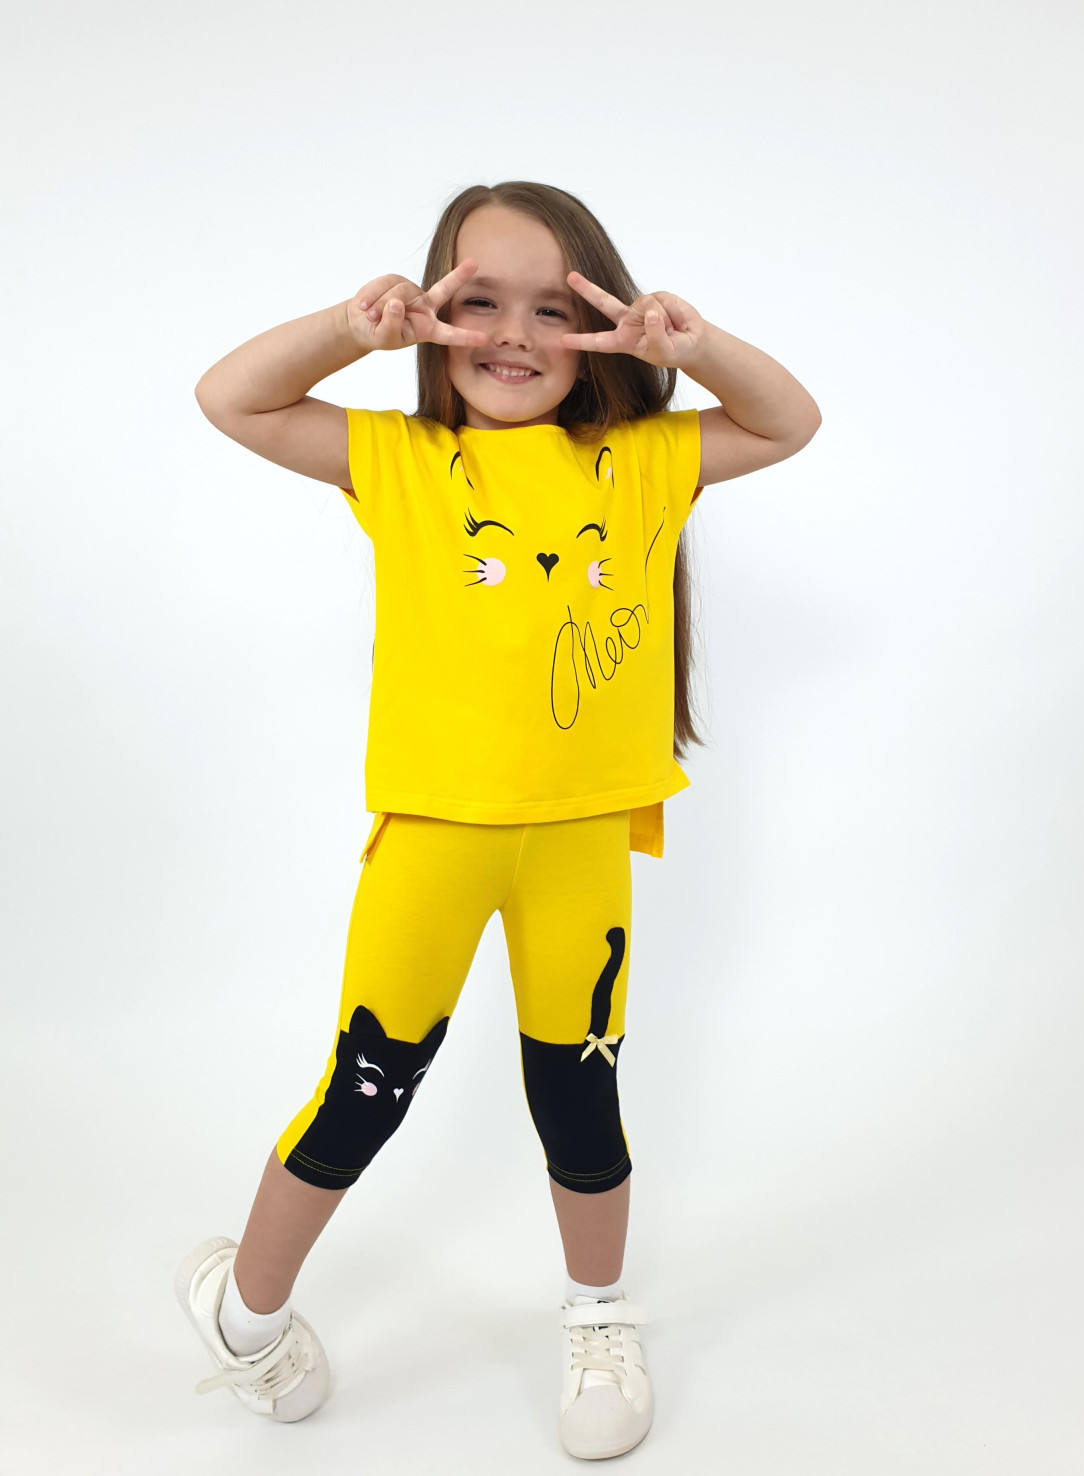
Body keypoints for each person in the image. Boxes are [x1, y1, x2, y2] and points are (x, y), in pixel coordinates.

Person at [174, 179, 821, 1459]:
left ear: (598, 324)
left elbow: (787, 420)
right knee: (365, 1092)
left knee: (579, 1094)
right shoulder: (405, 461)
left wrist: (689, 348)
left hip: (579, 841)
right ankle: (244, 1317)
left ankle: (598, 1314)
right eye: (478, 305)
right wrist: (350, 331)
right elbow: (229, 398)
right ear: (432, 315)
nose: (514, 335)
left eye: (550, 309)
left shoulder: (641, 460)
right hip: (435, 839)